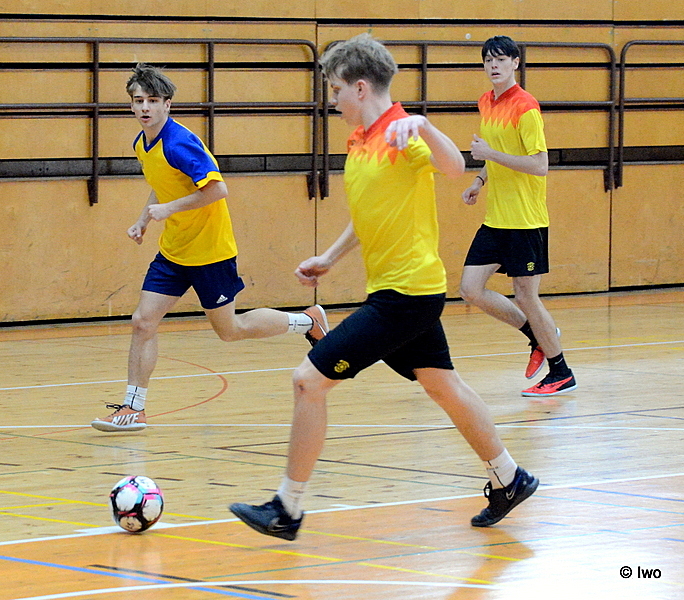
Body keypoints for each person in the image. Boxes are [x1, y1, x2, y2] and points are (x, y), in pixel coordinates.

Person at [229, 34, 539, 540]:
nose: (332, 100)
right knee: (443, 386)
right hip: (397, 292)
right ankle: (510, 478)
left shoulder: (402, 133)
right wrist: (330, 257)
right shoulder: (360, 141)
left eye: (335, 90)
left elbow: (454, 166)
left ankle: (287, 508)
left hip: (407, 296)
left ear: (359, 87)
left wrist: (425, 125)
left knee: (308, 380)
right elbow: (369, 213)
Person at [91, 63, 328, 433]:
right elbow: (165, 183)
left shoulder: (180, 142)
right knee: (143, 321)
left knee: (230, 330)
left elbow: (217, 189)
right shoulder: (143, 143)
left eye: (152, 100)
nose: (144, 107)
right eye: (138, 101)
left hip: (210, 252)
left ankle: (307, 322)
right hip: (174, 251)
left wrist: (169, 209)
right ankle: (133, 408)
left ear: (167, 104)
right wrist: (144, 220)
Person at [459, 35, 576, 397]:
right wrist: (479, 180)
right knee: (470, 289)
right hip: (497, 218)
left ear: (515, 63)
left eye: (500, 59)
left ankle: (561, 373)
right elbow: (497, 154)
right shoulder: (486, 101)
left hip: (525, 220)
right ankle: (537, 335)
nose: (493, 65)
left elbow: (539, 165)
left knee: (526, 296)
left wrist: (490, 154)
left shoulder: (526, 107)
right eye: (488, 60)